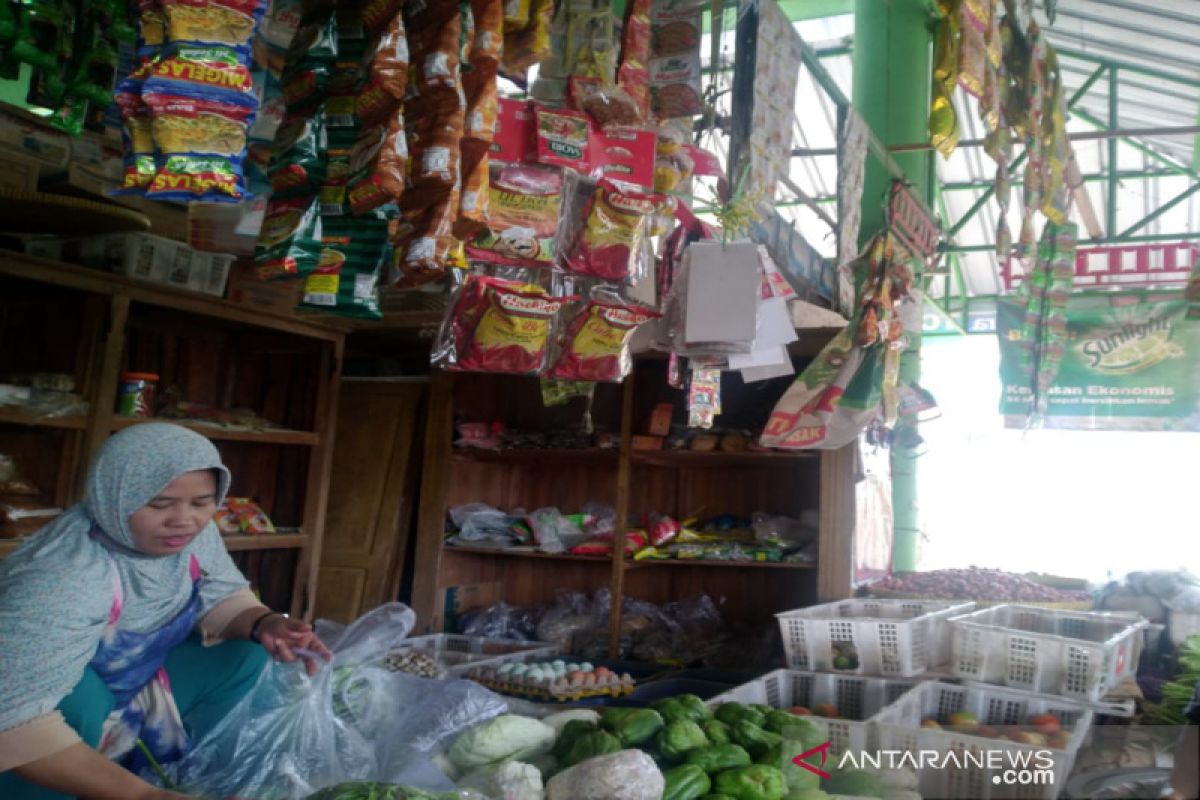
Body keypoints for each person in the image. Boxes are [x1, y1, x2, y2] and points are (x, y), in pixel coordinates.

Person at [0, 423, 332, 799]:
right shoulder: (63, 577)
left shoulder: (189, 535)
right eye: (159, 504)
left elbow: (220, 593)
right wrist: (142, 797)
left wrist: (264, 623)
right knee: (80, 699)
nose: (183, 520)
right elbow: (11, 717)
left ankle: (194, 777)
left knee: (244, 655)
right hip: (30, 711)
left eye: (202, 502)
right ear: (113, 498)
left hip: (129, 687)